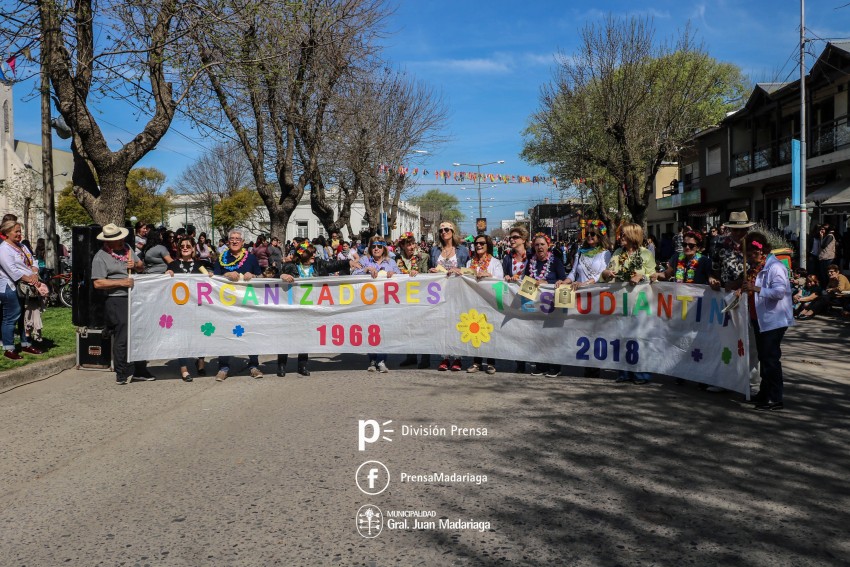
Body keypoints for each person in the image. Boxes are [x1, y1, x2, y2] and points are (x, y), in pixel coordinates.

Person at [279, 242, 358, 376]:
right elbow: (273, 276)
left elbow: (333, 265)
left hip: (310, 307)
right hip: (292, 306)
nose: (314, 255)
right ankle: (281, 365)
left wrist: (348, 263)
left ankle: (302, 365)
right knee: (287, 335)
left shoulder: (318, 264)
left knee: (305, 335)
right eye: (311, 253)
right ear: (303, 255)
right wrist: (282, 276)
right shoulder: (290, 266)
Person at [740, 232, 794, 410]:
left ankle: (775, 397)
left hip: (773, 320)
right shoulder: (756, 268)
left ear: (762, 250)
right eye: (747, 252)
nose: (750, 256)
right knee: (764, 357)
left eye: (753, 252)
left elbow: (779, 292)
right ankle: (765, 393)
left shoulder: (775, 267)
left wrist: (755, 288)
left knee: (771, 359)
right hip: (759, 319)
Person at [90, 223, 146, 384]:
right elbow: (98, 283)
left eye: (121, 237)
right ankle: (121, 373)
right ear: (108, 241)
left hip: (134, 297)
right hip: (116, 299)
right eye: (117, 239)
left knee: (138, 333)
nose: (121, 241)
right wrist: (122, 282)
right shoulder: (100, 257)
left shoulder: (128, 249)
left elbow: (142, 267)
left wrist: (135, 265)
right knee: (123, 334)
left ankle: (140, 369)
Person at [601, 223, 655, 384]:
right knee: (622, 336)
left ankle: (641, 374)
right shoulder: (618, 253)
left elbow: (653, 276)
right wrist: (606, 273)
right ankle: (624, 372)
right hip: (621, 302)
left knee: (640, 337)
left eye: (623, 235)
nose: (620, 238)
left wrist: (641, 276)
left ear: (633, 236)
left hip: (641, 302)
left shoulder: (645, 254)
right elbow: (607, 272)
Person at [212, 229, 263, 381]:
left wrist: (253, 276)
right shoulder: (221, 258)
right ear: (228, 242)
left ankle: (253, 365)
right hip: (227, 304)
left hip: (247, 303)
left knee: (250, 332)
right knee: (226, 333)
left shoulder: (251, 258)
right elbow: (214, 279)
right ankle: (223, 367)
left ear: (242, 242)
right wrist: (226, 275)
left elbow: (260, 277)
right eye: (232, 239)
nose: (234, 241)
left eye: (237, 239)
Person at [165, 236, 212, 381]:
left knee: (200, 334)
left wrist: (210, 276)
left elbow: (209, 281)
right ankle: (184, 368)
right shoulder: (173, 265)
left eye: (188, 246)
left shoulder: (200, 265)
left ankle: (201, 361)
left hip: (198, 306)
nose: (185, 248)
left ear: (193, 249)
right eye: (182, 246)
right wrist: (167, 275)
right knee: (182, 336)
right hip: (180, 307)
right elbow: (165, 284)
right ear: (179, 249)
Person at [353, 235, 399, 373]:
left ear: (383, 248)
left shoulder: (391, 262)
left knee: (383, 330)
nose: (376, 249)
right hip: (368, 301)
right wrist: (365, 270)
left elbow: (401, 276)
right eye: (374, 246)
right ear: (370, 248)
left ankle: (382, 360)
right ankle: (372, 359)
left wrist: (393, 273)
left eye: (379, 246)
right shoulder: (364, 260)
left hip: (385, 301)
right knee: (370, 330)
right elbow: (353, 275)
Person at [0, 221, 45, 359]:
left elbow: (33, 260)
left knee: (25, 317)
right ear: (7, 233)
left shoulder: (23, 247)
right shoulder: (4, 249)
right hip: (10, 286)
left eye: (20, 231)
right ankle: (9, 348)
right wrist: (31, 278)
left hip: (26, 285)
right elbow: (12, 271)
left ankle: (26, 344)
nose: (19, 234)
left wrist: (35, 272)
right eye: (16, 231)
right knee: (11, 317)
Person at [525, 233, 567, 378]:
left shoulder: (556, 261)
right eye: (536, 245)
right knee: (538, 336)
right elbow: (527, 280)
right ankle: (540, 365)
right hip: (536, 307)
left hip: (553, 307)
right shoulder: (531, 262)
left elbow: (563, 279)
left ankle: (555, 366)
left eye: (542, 244)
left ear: (548, 246)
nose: (539, 247)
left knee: (552, 336)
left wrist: (547, 283)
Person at [430, 221, 469, 372]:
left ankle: (458, 357)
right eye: (441, 230)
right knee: (443, 324)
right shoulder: (434, 250)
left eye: (447, 229)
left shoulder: (462, 250)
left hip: (457, 291)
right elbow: (430, 269)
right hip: (439, 293)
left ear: (453, 232)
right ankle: (445, 356)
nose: (444, 232)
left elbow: (469, 269)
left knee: (457, 323)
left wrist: (460, 270)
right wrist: (432, 271)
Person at [466, 234, 504, 375]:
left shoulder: (495, 262)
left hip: (490, 302)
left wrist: (489, 275)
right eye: (476, 243)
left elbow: (500, 280)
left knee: (490, 331)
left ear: (488, 245)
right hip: (474, 301)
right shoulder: (470, 262)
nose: (479, 245)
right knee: (475, 330)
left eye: (482, 243)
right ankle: (476, 362)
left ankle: (490, 363)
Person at [396, 232, 432, 369]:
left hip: (421, 296)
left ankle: (425, 357)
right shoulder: (397, 259)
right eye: (408, 244)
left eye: (412, 243)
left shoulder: (423, 257)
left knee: (423, 327)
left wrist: (419, 274)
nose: (411, 247)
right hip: (405, 297)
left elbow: (429, 276)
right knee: (407, 326)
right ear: (402, 246)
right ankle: (410, 356)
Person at [501, 224, 531, 374]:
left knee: (530, 327)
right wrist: (506, 276)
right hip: (513, 296)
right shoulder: (507, 257)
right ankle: (520, 361)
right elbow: (504, 273)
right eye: (510, 237)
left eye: (515, 237)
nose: (511, 240)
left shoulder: (531, 255)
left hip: (529, 295)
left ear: (524, 239)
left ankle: (534, 358)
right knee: (517, 328)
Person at [557, 220, 612, 290]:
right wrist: (564, 282)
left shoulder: (605, 253)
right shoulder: (580, 252)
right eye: (587, 233)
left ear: (599, 236)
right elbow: (573, 273)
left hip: (596, 294)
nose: (589, 236)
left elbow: (601, 275)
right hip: (580, 292)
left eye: (592, 234)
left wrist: (584, 284)